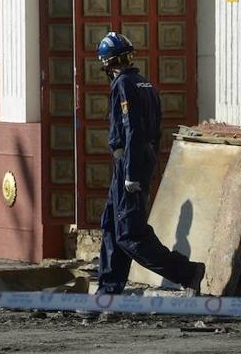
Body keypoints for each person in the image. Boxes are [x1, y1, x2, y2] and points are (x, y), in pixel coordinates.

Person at [95, 31, 205, 295]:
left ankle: (187, 272)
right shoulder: (145, 84)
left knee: (129, 234)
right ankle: (108, 290)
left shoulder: (122, 85)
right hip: (137, 163)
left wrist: (131, 172)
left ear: (108, 63)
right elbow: (154, 132)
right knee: (111, 224)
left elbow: (131, 129)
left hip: (128, 166)